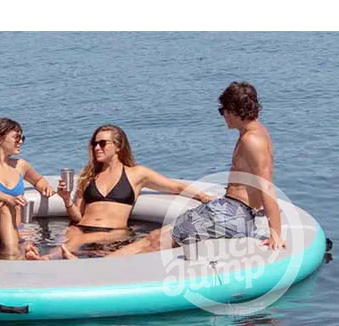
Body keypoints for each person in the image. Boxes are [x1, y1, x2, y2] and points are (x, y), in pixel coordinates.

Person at [107, 81, 285, 258]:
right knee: (155, 237)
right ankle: (104, 265)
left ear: (233, 110)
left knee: (155, 242)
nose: (223, 116)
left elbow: (266, 185)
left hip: (230, 214)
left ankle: (101, 268)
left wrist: (275, 234)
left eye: (222, 110)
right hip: (228, 210)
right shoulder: (254, 133)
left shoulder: (252, 141)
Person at [26, 124, 213, 260]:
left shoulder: (136, 174)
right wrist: (67, 199)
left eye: (102, 143)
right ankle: (45, 259)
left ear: (118, 146)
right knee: (67, 241)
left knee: (70, 246)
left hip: (112, 232)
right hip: (80, 227)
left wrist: (204, 197)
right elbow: (77, 217)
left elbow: (175, 186)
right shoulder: (88, 177)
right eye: (94, 144)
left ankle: (47, 259)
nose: (97, 148)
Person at [0, 118, 55, 259]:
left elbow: (38, 180)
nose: (21, 141)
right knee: (6, 206)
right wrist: (9, 198)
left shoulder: (20, 165)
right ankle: (16, 257)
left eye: (22, 138)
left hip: (17, 230)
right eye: (17, 137)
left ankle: (21, 253)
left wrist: (45, 187)